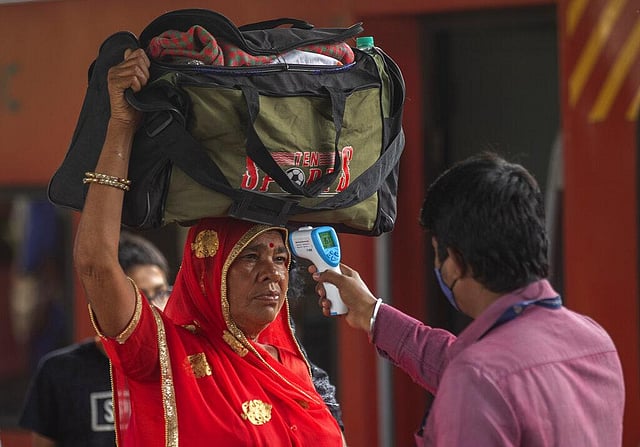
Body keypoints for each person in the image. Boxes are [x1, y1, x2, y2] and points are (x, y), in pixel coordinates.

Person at [72, 48, 345, 445]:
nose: (272, 272)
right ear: (208, 270)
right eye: (250, 256)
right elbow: (96, 265)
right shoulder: (166, 355)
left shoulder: (296, 368)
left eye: (281, 258)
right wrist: (122, 124)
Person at [311, 152, 625, 446]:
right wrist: (372, 313)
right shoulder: (596, 342)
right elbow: (466, 363)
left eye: (437, 254)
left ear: (456, 263)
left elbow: (479, 374)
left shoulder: (477, 377)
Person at [18, 232, 173, 446]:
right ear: (106, 299)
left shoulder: (179, 366)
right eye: (141, 297)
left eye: (161, 292)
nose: (153, 307)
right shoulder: (60, 371)